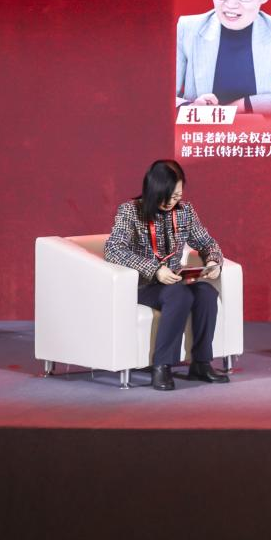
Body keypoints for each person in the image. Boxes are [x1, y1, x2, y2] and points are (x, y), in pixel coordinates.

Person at [104, 160, 229, 391]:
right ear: (153, 190)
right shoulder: (130, 211)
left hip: (175, 281)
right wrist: (154, 269)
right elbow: (114, 249)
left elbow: (207, 243)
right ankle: (161, 366)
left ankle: (201, 363)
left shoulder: (185, 211)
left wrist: (213, 261)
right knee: (179, 295)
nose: (172, 202)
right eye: (166, 197)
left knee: (206, 292)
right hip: (143, 285)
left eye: (177, 196)